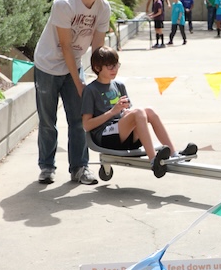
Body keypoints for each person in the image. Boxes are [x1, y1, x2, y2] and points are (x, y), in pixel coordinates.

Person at [33, 0, 112, 186]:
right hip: (48, 64)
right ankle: (47, 167)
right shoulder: (64, 3)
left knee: (79, 119)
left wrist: (100, 81)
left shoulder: (103, 7)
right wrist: (79, 84)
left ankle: (80, 168)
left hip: (73, 63)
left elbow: (98, 47)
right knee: (48, 120)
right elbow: (65, 46)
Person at [82, 47, 197, 177]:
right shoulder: (90, 90)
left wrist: (125, 112)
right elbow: (86, 125)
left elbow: (128, 111)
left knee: (149, 111)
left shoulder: (119, 85)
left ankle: (174, 153)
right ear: (97, 68)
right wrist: (112, 112)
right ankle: (154, 161)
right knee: (139, 112)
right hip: (105, 137)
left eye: (116, 65)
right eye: (109, 66)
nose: (114, 69)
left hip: (126, 136)